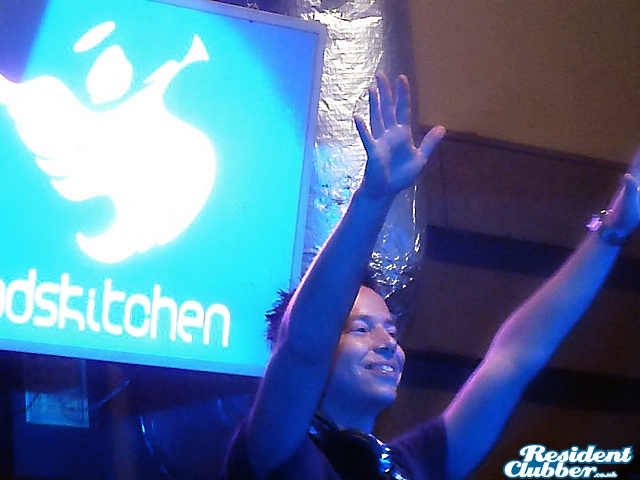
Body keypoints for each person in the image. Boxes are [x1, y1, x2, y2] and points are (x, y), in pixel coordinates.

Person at [222, 73, 640, 480]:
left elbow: (515, 356)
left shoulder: (417, 465)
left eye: (390, 330)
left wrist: (611, 235)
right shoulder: (275, 451)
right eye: (361, 329)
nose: (388, 344)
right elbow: (304, 345)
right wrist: (374, 198)